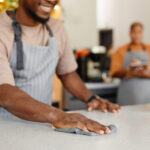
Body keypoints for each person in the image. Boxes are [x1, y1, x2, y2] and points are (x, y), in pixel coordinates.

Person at [0, 0, 121, 135]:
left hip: (42, 126)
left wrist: (92, 99)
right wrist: (58, 115)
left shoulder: (56, 28)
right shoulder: (1, 30)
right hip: (6, 126)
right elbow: (4, 92)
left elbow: (67, 73)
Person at [110, 22, 150, 105]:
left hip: (147, 96)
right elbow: (113, 73)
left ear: (143, 33)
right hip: (128, 96)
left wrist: (146, 74)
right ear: (130, 33)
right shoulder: (120, 50)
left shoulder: (149, 49)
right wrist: (130, 70)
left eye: (139, 32)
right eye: (134, 32)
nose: (137, 35)